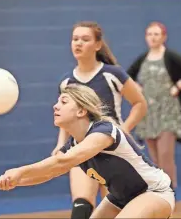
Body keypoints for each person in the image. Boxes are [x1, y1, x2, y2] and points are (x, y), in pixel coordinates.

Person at [0, 84, 175, 219]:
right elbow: (50, 172)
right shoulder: (73, 144)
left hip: (153, 192)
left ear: (81, 111)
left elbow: (61, 162)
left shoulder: (104, 131)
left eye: (63, 102)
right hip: (119, 198)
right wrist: (16, 181)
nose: (55, 106)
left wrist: (19, 171)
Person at [50, 21, 148, 218]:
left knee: (114, 208)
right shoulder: (67, 82)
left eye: (85, 39)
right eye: (75, 39)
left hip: (111, 149)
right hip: (80, 147)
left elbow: (140, 104)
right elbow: (65, 118)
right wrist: (61, 144)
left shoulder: (113, 74)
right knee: (81, 205)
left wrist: (124, 130)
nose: (78, 43)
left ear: (97, 45)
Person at [127, 21, 181, 189]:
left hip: (168, 112)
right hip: (148, 113)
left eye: (156, 34)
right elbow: (127, 75)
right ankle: (159, 192)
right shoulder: (143, 58)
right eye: (150, 34)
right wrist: (137, 87)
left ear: (163, 37)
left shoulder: (170, 56)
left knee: (165, 155)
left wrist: (178, 86)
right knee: (154, 158)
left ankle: (169, 192)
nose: (153, 38)